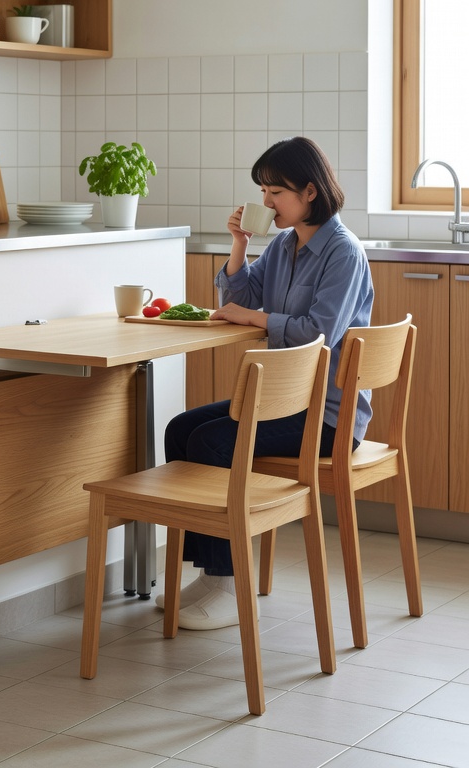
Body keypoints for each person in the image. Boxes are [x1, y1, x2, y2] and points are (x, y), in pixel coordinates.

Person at [159, 136, 373, 630]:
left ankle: (228, 581)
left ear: (310, 192)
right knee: (179, 430)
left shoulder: (343, 253)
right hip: (283, 401)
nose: (265, 202)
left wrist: (250, 315)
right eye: (263, 190)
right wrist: (240, 247)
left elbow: (316, 334)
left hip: (325, 415)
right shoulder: (283, 243)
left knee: (211, 442)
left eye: (276, 192)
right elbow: (240, 292)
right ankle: (210, 572)